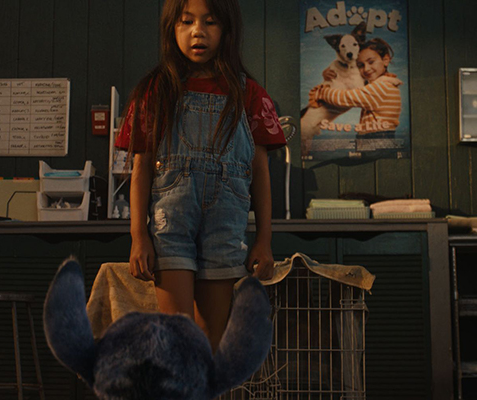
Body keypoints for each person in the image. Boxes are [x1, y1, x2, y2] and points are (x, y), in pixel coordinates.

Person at [115, 0, 286, 352]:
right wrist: (138, 235)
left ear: (227, 30)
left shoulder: (248, 93)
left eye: (210, 22)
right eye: (186, 21)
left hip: (225, 228)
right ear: (171, 29)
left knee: (211, 339)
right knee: (177, 335)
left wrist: (264, 239)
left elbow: (260, 170)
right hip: (171, 225)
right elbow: (141, 168)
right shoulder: (155, 91)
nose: (198, 32)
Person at [310, 38, 403, 138]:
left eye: (371, 62)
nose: (366, 69)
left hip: (376, 139)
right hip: (376, 138)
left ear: (385, 60)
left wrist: (322, 92)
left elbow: (345, 97)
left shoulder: (382, 87)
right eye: (360, 65)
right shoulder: (385, 83)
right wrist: (327, 74)